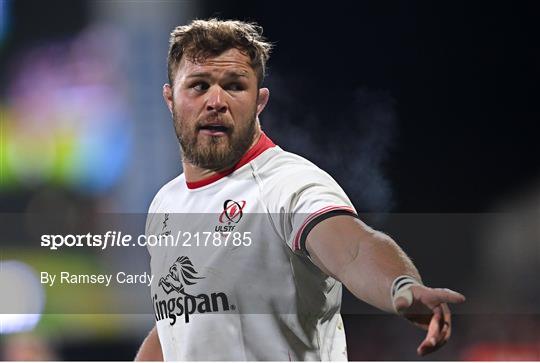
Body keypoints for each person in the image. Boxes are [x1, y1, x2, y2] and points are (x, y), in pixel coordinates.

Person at [135, 18, 465, 361]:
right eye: (199, 86)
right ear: (170, 97)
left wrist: (400, 286)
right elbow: (180, 326)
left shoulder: (287, 185)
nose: (216, 100)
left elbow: (353, 249)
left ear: (259, 101)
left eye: (234, 86)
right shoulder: (165, 205)